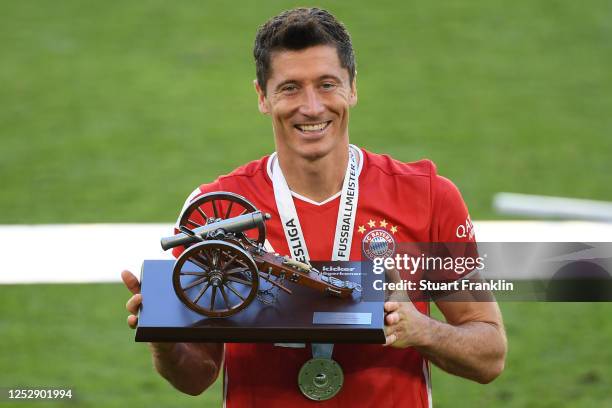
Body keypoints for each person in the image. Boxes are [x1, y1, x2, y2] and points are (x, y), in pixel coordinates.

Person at [122, 7, 506, 407]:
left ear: (353, 87)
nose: (311, 107)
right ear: (262, 97)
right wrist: (163, 339)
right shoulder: (219, 211)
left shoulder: (427, 197)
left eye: (326, 85)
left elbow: (489, 354)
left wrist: (423, 330)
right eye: (290, 88)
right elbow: (196, 375)